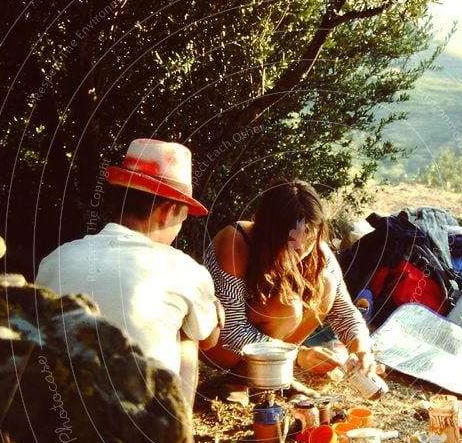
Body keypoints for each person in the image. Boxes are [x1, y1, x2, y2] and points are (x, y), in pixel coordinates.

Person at [36, 138, 223, 409]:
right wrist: (216, 311)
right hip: (138, 428)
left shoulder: (56, 258)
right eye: (182, 219)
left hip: (55, 420)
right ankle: (176, 438)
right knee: (188, 335)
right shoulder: (184, 269)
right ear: (169, 211)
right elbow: (208, 340)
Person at [202, 178, 378, 387]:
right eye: (290, 244)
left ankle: (272, 375)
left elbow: (345, 311)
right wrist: (297, 355)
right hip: (218, 344)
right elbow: (231, 330)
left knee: (326, 284)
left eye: (309, 241)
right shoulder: (235, 243)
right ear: (269, 233)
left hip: (267, 347)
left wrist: (362, 351)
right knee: (288, 307)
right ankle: (244, 379)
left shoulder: (317, 250)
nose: (300, 251)